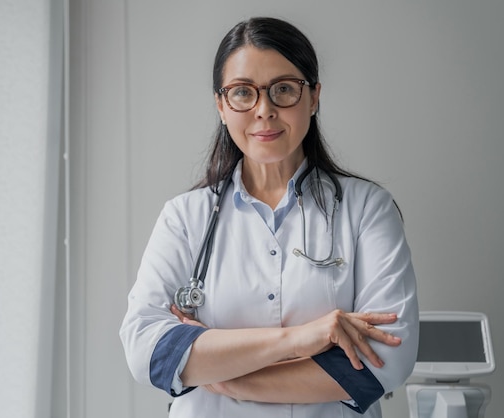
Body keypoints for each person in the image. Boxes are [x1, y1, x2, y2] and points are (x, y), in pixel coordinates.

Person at [119, 16, 419, 418]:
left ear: (313, 97)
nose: (264, 110)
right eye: (243, 93)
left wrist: (225, 376)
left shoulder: (367, 210)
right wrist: (301, 340)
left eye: (283, 90)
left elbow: (383, 363)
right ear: (222, 106)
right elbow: (146, 351)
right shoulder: (184, 217)